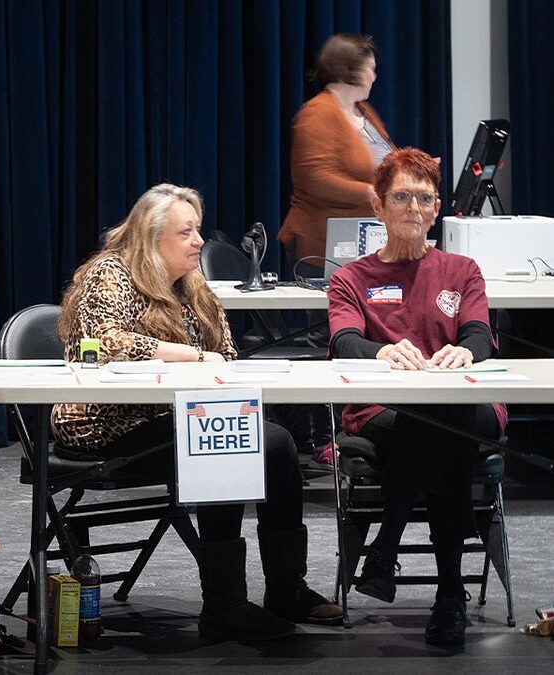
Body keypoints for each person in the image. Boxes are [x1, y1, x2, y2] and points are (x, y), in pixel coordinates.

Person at [52, 184, 342, 640]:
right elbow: (106, 343)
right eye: (186, 232)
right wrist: (187, 356)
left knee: (270, 441)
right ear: (151, 238)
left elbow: (224, 354)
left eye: (198, 230)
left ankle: (287, 588)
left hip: (175, 416)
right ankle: (224, 605)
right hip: (106, 423)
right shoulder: (110, 273)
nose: (199, 242)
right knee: (226, 439)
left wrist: (210, 367)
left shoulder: (193, 285)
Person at [327, 147, 506, 646]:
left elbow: (476, 334)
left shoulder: (462, 270)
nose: (413, 208)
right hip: (382, 412)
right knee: (440, 429)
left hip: (469, 407)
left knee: (442, 417)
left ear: (436, 209)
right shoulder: (350, 278)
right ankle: (451, 593)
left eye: (424, 198)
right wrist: (382, 353)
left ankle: (386, 544)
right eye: (401, 197)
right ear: (378, 206)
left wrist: (467, 354)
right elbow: (343, 342)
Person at [277, 33, 395, 466]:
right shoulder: (317, 115)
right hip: (323, 245)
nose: (376, 74)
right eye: (370, 66)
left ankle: (362, 424)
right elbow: (315, 179)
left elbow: (388, 163)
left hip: (364, 243)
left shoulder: (361, 112)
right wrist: (377, 195)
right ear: (350, 70)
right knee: (328, 337)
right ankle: (324, 437)